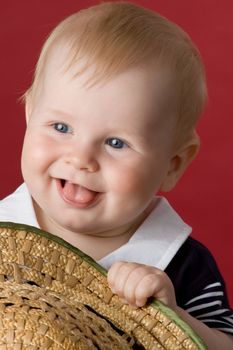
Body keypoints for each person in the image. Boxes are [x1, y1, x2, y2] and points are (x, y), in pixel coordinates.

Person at [0, 2, 232, 348]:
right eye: (61, 127)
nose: (81, 158)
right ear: (30, 116)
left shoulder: (180, 264)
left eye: (116, 143)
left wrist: (172, 318)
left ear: (173, 165)